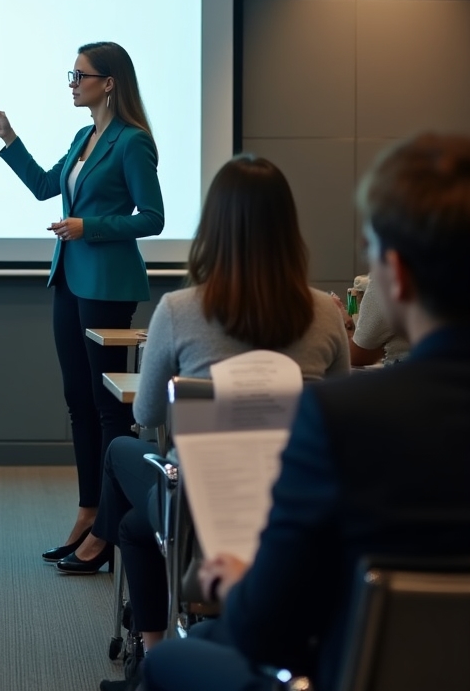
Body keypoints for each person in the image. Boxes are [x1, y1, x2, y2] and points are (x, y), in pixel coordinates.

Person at [142, 132, 470, 691]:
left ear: (397, 274)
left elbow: (270, 632)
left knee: (169, 663)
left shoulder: (343, 419)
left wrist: (242, 587)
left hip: (345, 666)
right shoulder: (326, 343)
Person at [85, 155, 350, 690]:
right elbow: (338, 407)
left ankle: (151, 658)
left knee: (121, 461)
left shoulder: (181, 310)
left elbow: (146, 415)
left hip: (202, 504)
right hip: (298, 504)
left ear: (213, 228)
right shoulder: (325, 311)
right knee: (139, 523)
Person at [0, 40, 164, 564]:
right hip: (69, 280)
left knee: (109, 410)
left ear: (109, 82)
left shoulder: (133, 142)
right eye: (72, 73)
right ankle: (88, 511)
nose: (72, 82)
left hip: (108, 284)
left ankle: (108, 529)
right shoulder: (84, 136)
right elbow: (45, 185)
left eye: (80, 74)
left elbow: (151, 218)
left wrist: (91, 227)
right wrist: (9, 136)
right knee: (79, 403)